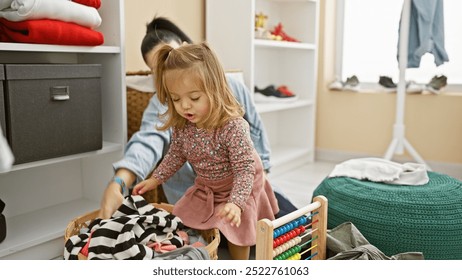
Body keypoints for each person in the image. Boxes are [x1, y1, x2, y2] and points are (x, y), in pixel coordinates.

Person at [99, 17, 297, 221]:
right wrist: (120, 182)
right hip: (199, 202)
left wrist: (255, 182)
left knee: (293, 224)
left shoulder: (232, 89)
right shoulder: (164, 106)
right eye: (161, 68)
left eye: (194, 97)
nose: (184, 105)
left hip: (244, 190)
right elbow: (148, 143)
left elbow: (255, 136)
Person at [132, 42, 279, 260]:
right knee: (186, 215)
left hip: (241, 184)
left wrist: (236, 203)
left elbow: (245, 170)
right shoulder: (183, 125)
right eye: (176, 99)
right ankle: (204, 255)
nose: (185, 106)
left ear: (215, 90)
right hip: (208, 185)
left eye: (194, 98)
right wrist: (155, 179)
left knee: (236, 231)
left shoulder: (233, 127)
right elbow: (176, 155)